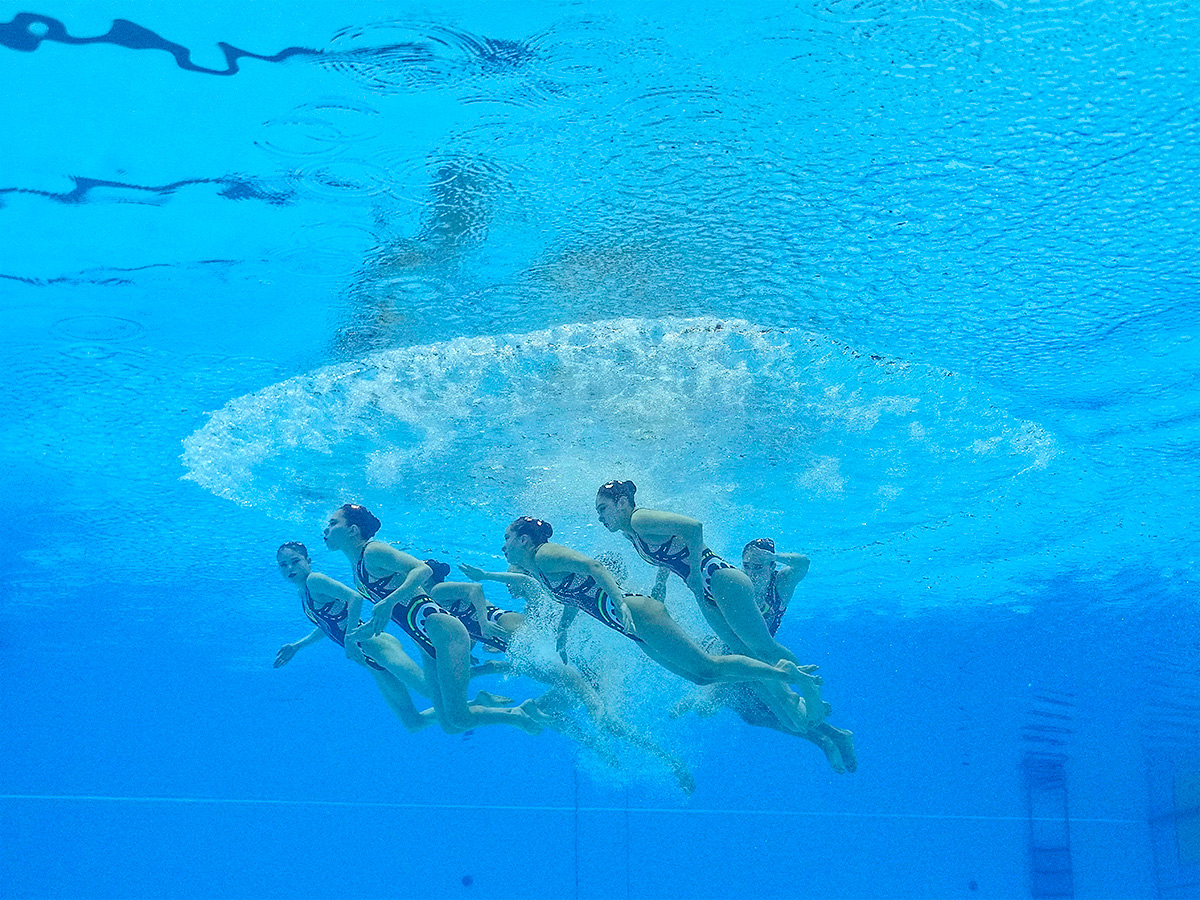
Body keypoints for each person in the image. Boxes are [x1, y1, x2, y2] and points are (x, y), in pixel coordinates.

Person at [478, 516, 816, 733]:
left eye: (506, 537)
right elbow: (571, 597)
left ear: (523, 539)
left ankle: (785, 671)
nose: (503, 545)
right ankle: (781, 671)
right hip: (630, 626)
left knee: (708, 668)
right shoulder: (539, 569)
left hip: (639, 613)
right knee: (700, 676)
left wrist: (621, 602)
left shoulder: (544, 555)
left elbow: (594, 567)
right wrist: (563, 635)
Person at [594, 479, 825, 727]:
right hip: (702, 587)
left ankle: (810, 688)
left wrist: (694, 572)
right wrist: (661, 583)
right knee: (741, 648)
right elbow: (668, 549)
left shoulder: (640, 519)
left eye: (603, 509)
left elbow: (694, 528)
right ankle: (789, 694)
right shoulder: (631, 533)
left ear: (621, 503)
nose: (600, 517)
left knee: (764, 648)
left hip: (718, 577)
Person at [322, 504, 542, 735]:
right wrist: (369, 628)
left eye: (333, 522)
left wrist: (388, 602)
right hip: (426, 642)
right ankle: (499, 705)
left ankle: (515, 715)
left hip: (444, 631)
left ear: (353, 530)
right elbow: (395, 610)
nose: (327, 528)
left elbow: (422, 570)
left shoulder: (372, 551)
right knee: (449, 725)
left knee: (460, 717)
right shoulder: (357, 569)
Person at [678, 539, 857, 773]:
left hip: (760, 659)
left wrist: (774, 556)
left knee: (776, 712)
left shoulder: (780, 584)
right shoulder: (736, 585)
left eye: (758, 567)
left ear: (772, 567)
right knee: (751, 714)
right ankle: (830, 733)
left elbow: (803, 564)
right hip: (735, 653)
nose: (751, 573)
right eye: (747, 566)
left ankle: (827, 735)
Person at [272, 541, 436, 732]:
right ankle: (476, 702)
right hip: (369, 659)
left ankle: (471, 673)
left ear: (308, 560)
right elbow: (327, 626)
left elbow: (354, 597)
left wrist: (350, 640)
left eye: (295, 561)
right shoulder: (304, 594)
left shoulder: (314, 580)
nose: (289, 568)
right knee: (413, 722)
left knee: (428, 690)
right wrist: (297, 646)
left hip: (376, 645)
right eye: (283, 565)